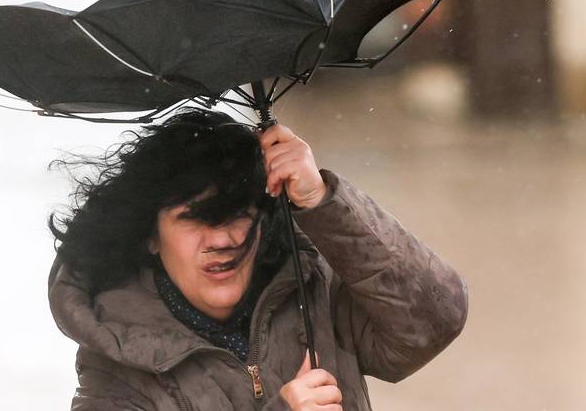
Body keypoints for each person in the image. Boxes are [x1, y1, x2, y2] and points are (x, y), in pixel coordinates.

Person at [48, 108, 468, 411]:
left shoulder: (314, 284)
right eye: (194, 219)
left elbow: (434, 320)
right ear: (151, 237)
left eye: (236, 214)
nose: (223, 239)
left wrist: (320, 200)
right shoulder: (114, 362)